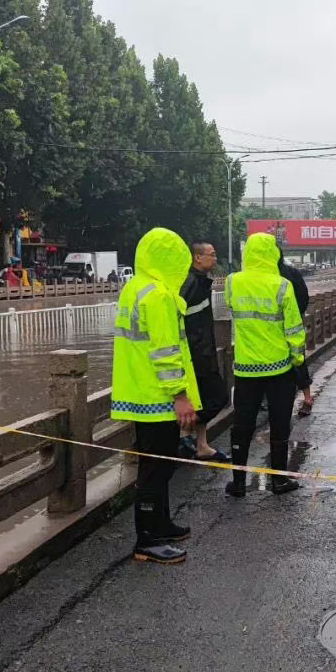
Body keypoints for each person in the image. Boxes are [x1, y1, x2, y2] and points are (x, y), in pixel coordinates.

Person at [111, 227, 203, 565]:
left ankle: (161, 524)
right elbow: (166, 352)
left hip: (138, 393)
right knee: (156, 467)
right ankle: (147, 539)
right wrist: (180, 395)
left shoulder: (133, 289)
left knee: (158, 465)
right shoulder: (160, 295)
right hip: (158, 397)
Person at [224, 232, 309, 497]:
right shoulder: (282, 285)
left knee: (242, 424)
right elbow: (295, 330)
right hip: (279, 368)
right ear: (273, 254)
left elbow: (233, 312)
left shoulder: (232, 282)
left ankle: (238, 482)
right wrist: (298, 361)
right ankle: (278, 481)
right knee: (280, 423)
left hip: (245, 367)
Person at [180, 241, 230, 458]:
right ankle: (183, 434)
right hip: (195, 355)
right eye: (212, 254)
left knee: (205, 399)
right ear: (197, 257)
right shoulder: (190, 282)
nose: (215, 258)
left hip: (204, 351)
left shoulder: (200, 281)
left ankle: (201, 445)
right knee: (218, 398)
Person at [277, 254, 314, 416]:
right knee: (299, 360)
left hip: (274, 331)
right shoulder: (293, 273)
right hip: (294, 325)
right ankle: (307, 399)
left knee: (292, 363)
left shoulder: (280, 276)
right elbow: (304, 297)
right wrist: (297, 316)